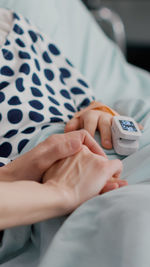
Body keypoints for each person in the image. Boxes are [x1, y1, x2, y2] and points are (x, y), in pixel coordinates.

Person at [0, 8, 127, 230]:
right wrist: (60, 190)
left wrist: (98, 114)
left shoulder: (18, 30)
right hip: (38, 206)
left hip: (107, 153)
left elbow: (87, 103)